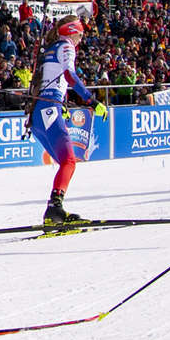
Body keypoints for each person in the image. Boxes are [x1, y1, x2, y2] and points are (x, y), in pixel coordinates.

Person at [29, 16, 105, 224]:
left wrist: (60, 104)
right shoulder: (66, 46)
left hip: (38, 112)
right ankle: (54, 208)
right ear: (72, 32)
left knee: (66, 162)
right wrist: (91, 101)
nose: (81, 38)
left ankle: (55, 208)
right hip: (48, 108)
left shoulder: (52, 47)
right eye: (80, 34)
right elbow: (70, 75)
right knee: (69, 161)